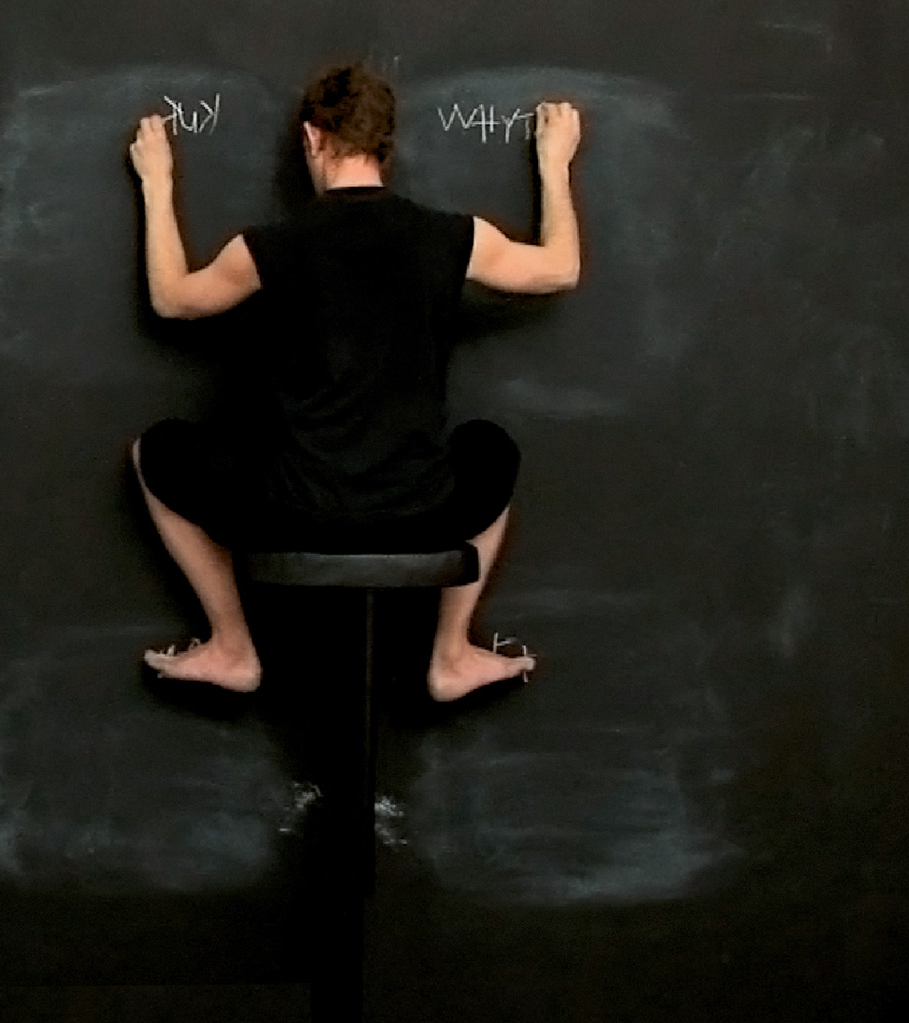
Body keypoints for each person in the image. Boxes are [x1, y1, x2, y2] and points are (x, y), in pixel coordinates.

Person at [127, 62, 581, 702]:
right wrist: (556, 165)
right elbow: (559, 268)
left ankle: (232, 645)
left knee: (158, 450)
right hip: (421, 513)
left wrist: (156, 183)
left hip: (296, 512)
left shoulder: (270, 247)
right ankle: (450, 654)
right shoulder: (453, 237)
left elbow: (172, 299)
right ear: (384, 147)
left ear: (313, 138)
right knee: (492, 449)